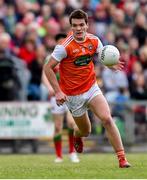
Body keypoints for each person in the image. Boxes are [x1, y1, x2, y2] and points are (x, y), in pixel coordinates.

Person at [43, 9, 131, 168]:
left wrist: (111, 64)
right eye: (75, 25)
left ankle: (122, 158)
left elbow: (103, 56)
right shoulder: (64, 46)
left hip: (91, 88)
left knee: (107, 118)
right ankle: (77, 137)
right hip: (73, 95)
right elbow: (48, 68)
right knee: (85, 131)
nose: (78, 28)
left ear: (87, 25)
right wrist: (57, 91)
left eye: (81, 25)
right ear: (71, 27)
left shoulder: (95, 41)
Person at [43, 33, 79, 163]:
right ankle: (58, 156)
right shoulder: (50, 58)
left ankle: (72, 152)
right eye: (59, 42)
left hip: (70, 94)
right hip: (56, 95)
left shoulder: (70, 56)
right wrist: (50, 89)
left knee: (71, 123)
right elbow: (45, 75)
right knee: (58, 127)